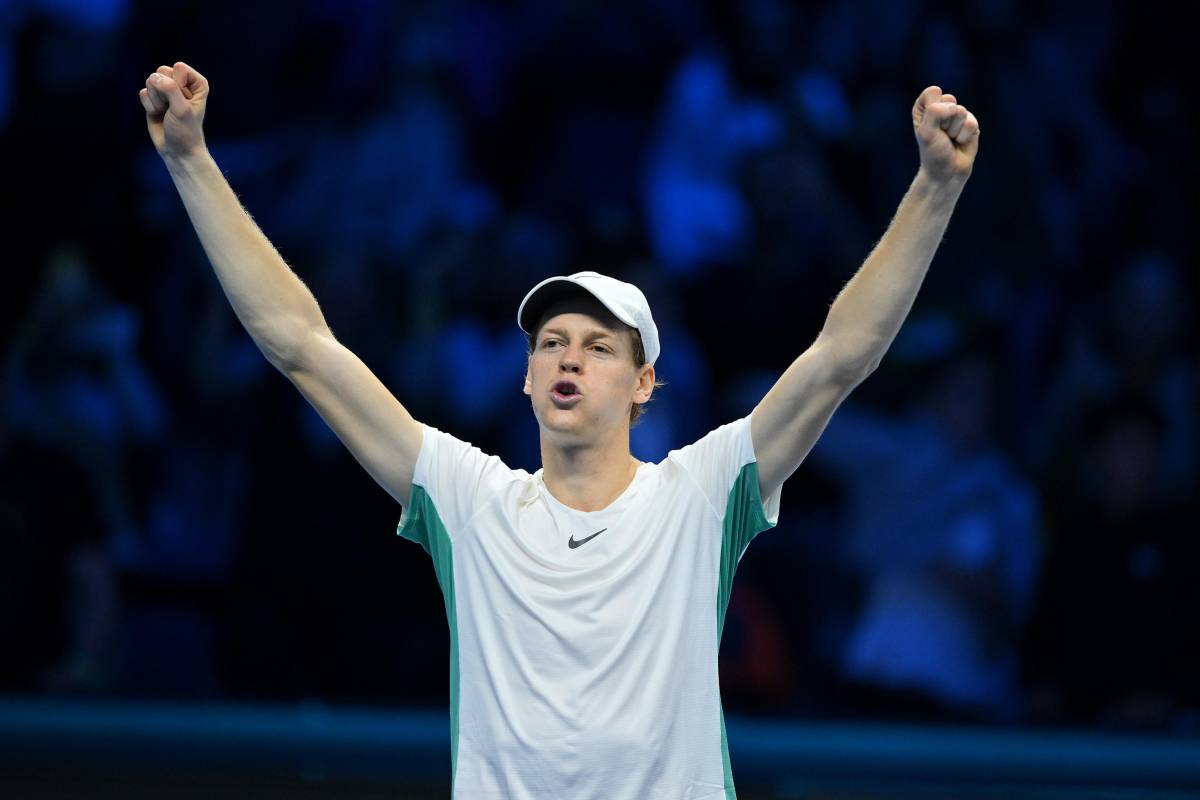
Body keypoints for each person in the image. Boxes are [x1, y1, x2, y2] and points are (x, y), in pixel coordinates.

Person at [139, 61, 978, 799]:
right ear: (530, 377)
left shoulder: (700, 493)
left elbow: (840, 355)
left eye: (598, 345)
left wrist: (934, 189)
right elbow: (304, 347)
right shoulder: (469, 500)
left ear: (643, 383)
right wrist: (191, 160)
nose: (569, 358)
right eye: (550, 344)